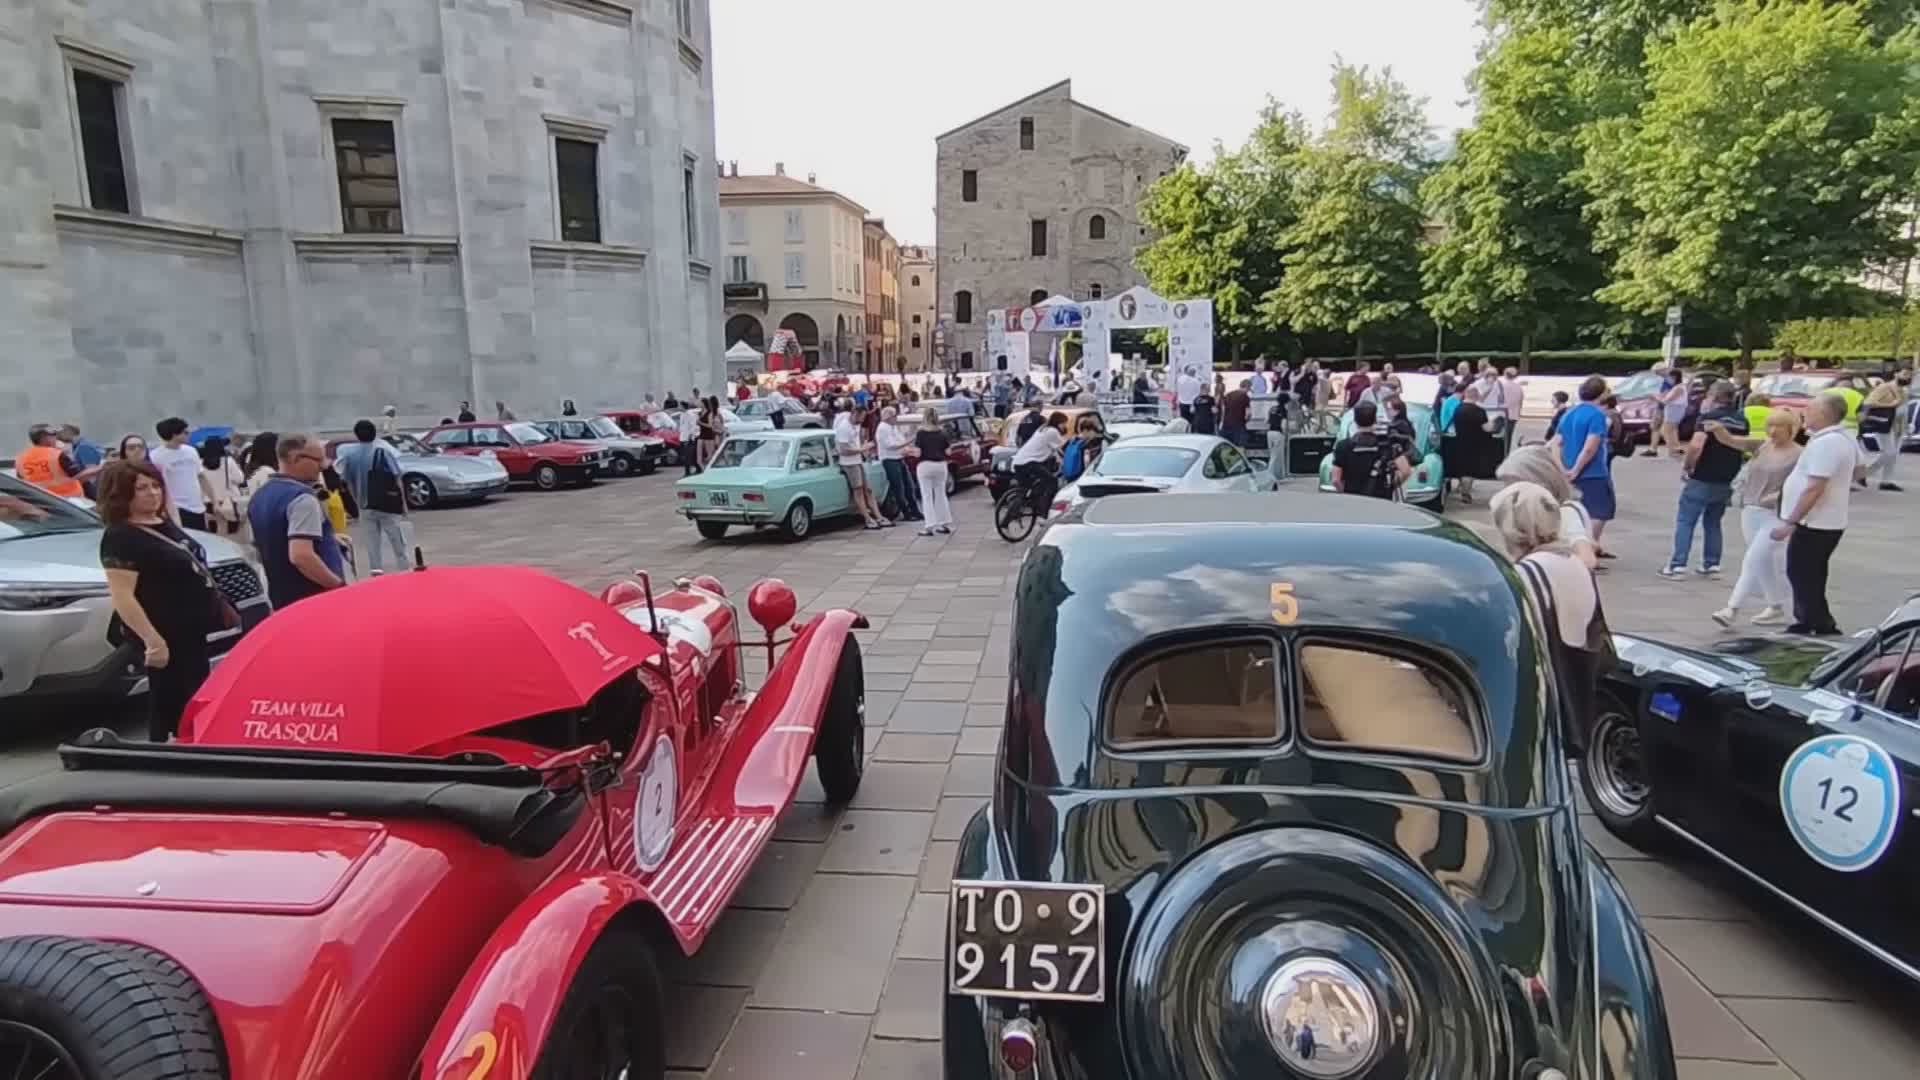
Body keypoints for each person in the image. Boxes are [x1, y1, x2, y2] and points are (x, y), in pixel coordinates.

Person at [97, 461, 226, 740]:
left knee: (196, 692)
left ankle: (195, 741)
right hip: (164, 630)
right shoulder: (121, 536)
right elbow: (122, 594)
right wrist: (152, 640)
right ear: (122, 494)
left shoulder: (163, 523)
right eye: (141, 488)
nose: (152, 493)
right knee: (169, 698)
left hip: (192, 629)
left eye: (156, 486)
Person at [1495, 481, 1609, 752]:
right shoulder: (1573, 563)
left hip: (1544, 700)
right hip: (1579, 690)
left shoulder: (1529, 572)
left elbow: (1513, 641)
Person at [1773, 393, 1862, 636]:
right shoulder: (1841, 438)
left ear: (1823, 414)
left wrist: (1791, 520)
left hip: (1816, 522)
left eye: (1810, 409)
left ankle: (1820, 624)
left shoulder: (1828, 443)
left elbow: (1815, 486)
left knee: (1803, 573)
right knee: (1809, 572)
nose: (1805, 413)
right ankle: (1808, 619)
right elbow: (1860, 468)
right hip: (1825, 519)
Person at [1704, 407, 1800, 627]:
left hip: (1776, 513)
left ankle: (1732, 608)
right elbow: (1731, 441)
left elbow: (1802, 483)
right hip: (1751, 509)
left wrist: (1779, 495)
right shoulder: (1763, 446)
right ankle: (1776, 606)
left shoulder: (1799, 454)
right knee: (1761, 561)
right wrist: (1718, 429)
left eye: (1779, 426)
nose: (1773, 431)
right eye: (1770, 426)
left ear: (1791, 429)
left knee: (1754, 558)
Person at [247, 433, 347, 609]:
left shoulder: (259, 497)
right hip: (313, 599)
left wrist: (328, 538)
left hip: (282, 599)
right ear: (295, 458)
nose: (323, 466)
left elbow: (266, 543)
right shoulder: (302, 499)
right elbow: (301, 556)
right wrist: (338, 586)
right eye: (318, 460)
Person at [1663, 380, 1746, 578]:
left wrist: (1688, 466)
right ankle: (1712, 563)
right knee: (1713, 522)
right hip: (1726, 476)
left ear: (1714, 397)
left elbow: (1697, 446)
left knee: (1686, 520)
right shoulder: (1742, 420)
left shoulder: (1707, 419)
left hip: (1703, 475)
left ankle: (1677, 564)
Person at [1495, 445, 1596, 568]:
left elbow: (1587, 559)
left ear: (1539, 481)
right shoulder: (1546, 510)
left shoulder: (1564, 512)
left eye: (1514, 483)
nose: (1508, 490)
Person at [1553, 376, 1617, 558]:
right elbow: (1590, 447)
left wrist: (1563, 468)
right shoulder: (1597, 415)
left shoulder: (1569, 413)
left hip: (1569, 470)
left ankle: (1580, 546)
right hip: (1593, 472)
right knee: (1600, 511)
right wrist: (1577, 469)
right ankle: (1589, 548)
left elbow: (1556, 443)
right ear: (1602, 393)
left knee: (1577, 510)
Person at [337, 419, 411, 574]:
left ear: (356, 435)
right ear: (374, 433)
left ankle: (376, 573)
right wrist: (403, 504)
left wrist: (356, 501)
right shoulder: (382, 452)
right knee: (397, 541)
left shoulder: (349, 455)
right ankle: (405, 571)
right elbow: (397, 478)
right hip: (387, 504)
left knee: (372, 544)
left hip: (364, 505)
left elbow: (347, 481)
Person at [1330, 401, 1410, 500]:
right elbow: (1406, 471)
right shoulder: (1387, 445)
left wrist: (1345, 493)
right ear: (1375, 420)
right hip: (1381, 500)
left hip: (1353, 500)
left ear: (1355, 420)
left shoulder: (1343, 446)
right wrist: (1390, 486)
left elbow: (1335, 480)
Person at [149, 418, 213, 530]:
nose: (188, 435)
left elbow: (201, 476)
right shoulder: (155, 457)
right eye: (185, 432)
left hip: (197, 506)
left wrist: (214, 500)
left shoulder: (191, 451)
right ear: (174, 434)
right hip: (176, 508)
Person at [832, 401, 887, 529]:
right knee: (858, 489)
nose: (863, 420)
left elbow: (858, 440)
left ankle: (878, 516)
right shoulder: (843, 428)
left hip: (858, 460)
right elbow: (843, 450)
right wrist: (862, 449)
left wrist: (864, 450)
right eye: (862, 417)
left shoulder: (855, 425)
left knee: (868, 488)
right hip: (849, 462)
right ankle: (867, 518)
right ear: (855, 414)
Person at [1444, 384, 1500, 504]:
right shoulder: (1479, 411)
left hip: (1459, 442)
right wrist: (1494, 423)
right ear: (1476, 396)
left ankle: (1462, 488)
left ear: (1466, 395)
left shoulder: (1458, 409)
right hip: (1475, 444)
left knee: (1463, 468)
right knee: (1469, 470)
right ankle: (1466, 493)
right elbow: (1487, 428)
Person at [17, 424, 95, 498]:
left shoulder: (20, 458)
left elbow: (22, 483)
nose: (56, 438)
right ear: (44, 438)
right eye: (53, 435)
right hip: (71, 502)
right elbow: (80, 476)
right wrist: (102, 467)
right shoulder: (57, 455)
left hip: (44, 502)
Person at [1010, 411, 1069, 507]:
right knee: (1052, 481)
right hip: (1029, 462)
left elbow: (1052, 450)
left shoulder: (1043, 429)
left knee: (1025, 489)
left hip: (1018, 461)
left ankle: (1011, 513)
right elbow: (1062, 449)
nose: (1064, 426)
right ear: (1058, 423)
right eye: (1064, 424)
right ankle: (1044, 509)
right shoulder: (1052, 432)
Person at [1858, 374, 1906, 491]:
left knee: (1893, 455)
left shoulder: (1904, 390)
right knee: (1889, 453)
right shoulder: (1885, 387)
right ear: (1896, 374)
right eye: (1904, 373)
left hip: (1897, 426)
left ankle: (1886, 481)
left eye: (1910, 374)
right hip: (1884, 423)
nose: (1907, 377)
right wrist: (1891, 404)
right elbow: (1869, 402)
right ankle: (1862, 474)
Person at [875, 406, 922, 522]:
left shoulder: (893, 427)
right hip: (890, 460)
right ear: (888, 417)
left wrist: (908, 449)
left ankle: (915, 510)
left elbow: (900, 441)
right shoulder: (882, 428)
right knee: (898, 488)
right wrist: (909, 442)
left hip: (899, 458)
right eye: (894, 416)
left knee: (909, 486)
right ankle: (906, 513)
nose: (896, 418)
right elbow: (891, 445)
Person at [198, 435, 247, 536]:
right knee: (231, 533)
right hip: (228, 501)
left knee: (212, 533)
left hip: (208, 502)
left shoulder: (200, 463)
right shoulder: (228, 461)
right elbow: (240, 479)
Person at [1647, 368, 1687, 458]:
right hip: (1672, 410)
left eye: (1670, 377)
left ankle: (1673, 450)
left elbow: (1666, 400)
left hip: (1674, 410)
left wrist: (1655, 397)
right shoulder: (1677, 387)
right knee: (1671, 430)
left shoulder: (1679, 388)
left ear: (1675, 377)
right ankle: (1675, 448)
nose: (1669, 379)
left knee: (1665, 430)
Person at [1221, 379, 1252, 447]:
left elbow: (1223, 410)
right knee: (1240, 447)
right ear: (1248, 387)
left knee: (1227, 447)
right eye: (1249, 389)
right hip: (1238, 426)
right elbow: (1248, 414)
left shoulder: (1228, 394)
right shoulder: (1245, 396)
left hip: (1226, 425)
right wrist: (1247, 420)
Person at [697, 397, 724, 469]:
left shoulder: (713, 413)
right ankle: (705, 470)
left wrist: (700, 423)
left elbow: (712, 425)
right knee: (701, 458)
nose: (699, 404)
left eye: (700, 402)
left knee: (711, 455)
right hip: (704, 434)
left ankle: (711, 468)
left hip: (712, 434)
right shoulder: (700, 413)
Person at [676, 404, 700, 475]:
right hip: (682, 437)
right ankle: (690, 470)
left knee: (689, 456)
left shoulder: (690, 415)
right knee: (684, 456)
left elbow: (692, 426)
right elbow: (681, 426)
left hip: (688, 438)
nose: (679, 407)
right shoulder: (681, 415)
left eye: (680, 406)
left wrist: (690, 437)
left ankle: (689, 471)